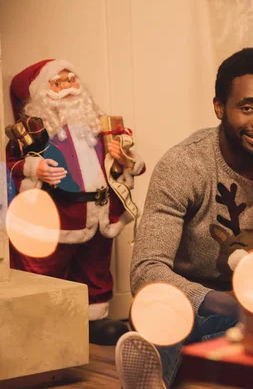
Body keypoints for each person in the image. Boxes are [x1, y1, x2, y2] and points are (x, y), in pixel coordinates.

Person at [115, 48, 253, 389]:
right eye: (247, 107)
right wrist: (226, 303)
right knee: (159, 307)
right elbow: (146, 269)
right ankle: (159, 370)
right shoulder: (183, 165)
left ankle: (201, 362)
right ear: (219, 107)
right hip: (197, 304)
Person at [6, 59, 145, 345]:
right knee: (47, 270)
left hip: (99, 211)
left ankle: (93, 319)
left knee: (95, 266)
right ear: (42, 92)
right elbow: (12, 166)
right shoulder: (31, 134)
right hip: (57, 212)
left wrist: (122, 159)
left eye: (72, 80)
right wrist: (36, 169)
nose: (69, 87)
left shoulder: (100, 126)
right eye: (59, 82)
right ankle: (43, 324)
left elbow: (132, 163)